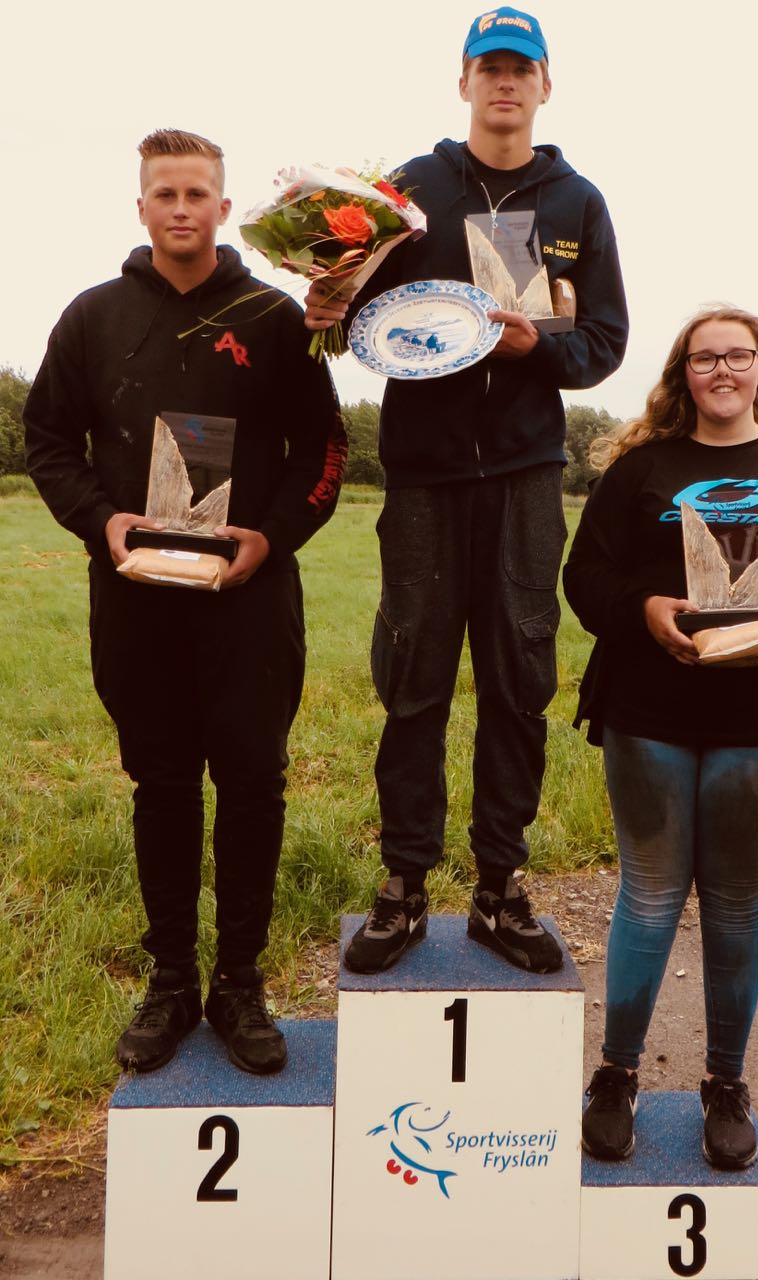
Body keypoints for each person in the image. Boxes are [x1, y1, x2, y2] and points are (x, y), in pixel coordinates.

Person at [305, 7, 628, 975]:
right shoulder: (409, 190)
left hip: (527, 475)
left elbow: (604, 342)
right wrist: (327, 299)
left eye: (521, 68)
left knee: (520, 681)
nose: (505, 82)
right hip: (424, 474)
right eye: (490, 67)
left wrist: (538, 348)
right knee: (413, 680)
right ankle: (404, 883)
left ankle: (500, 885)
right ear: (463, 82)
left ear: (545, 86)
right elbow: (355, 318)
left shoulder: (577, 203)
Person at [25, 129, 347, 1074]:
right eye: (164, 192)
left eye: (196, 192)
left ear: (223, 207)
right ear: (141, 207)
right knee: (161, 785)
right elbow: (48, 441)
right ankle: (171, 983)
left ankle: (239, 985)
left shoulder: (276, 317)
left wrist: (270, 538)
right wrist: (102, 522)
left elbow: (323, 448)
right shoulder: (92, 318)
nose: (180, 207)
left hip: (249, 603)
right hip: (137, 601)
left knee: (252, 784)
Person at [562, 305, 758, 1168]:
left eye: (738, 355)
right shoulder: (641, 470)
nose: (722, 370)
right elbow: (585, 576)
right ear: (684, 374)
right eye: (705, 358)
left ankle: (725, 1083)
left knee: (737, 902)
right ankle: (616, 1074)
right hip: (650, 710)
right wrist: (642, 608)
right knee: (649, 895)